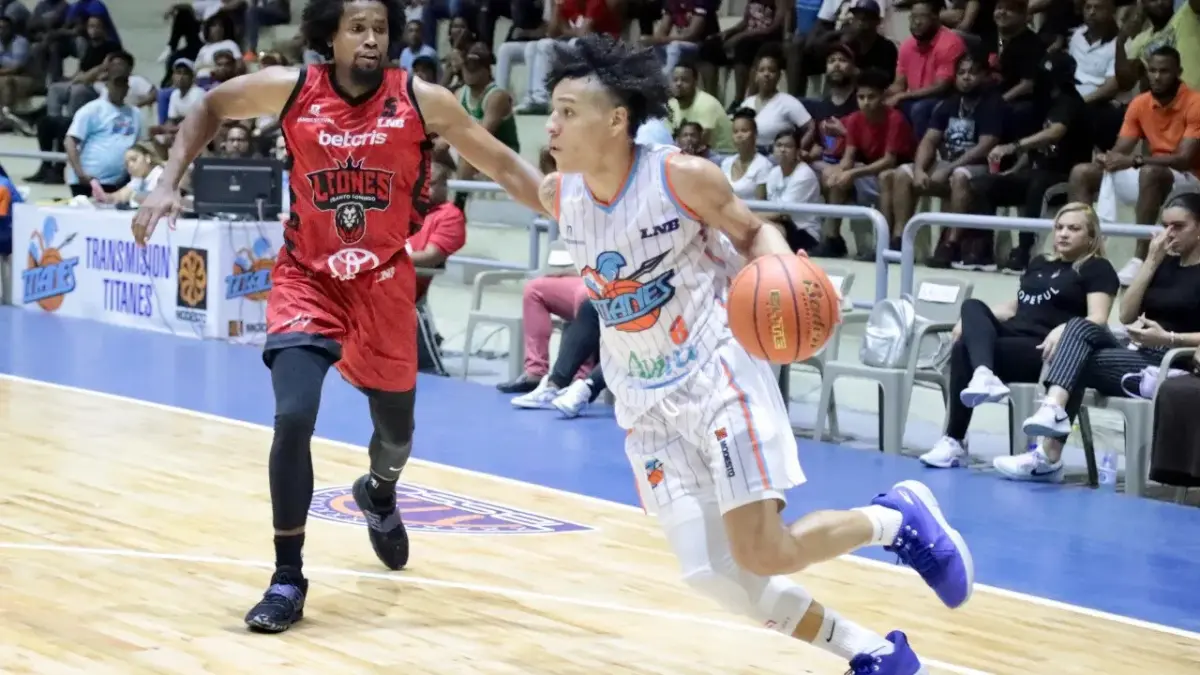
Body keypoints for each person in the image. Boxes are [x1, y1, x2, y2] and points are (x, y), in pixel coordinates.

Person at [539, 34, 973, 675]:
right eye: (551, 110)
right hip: (645, 399)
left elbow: (752, 231)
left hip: (715, 372)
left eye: (567, 111)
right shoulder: (564, 192)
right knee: (709, 571)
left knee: (763, 552)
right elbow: (495, 160)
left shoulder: (679, 175)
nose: (551, 124)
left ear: (615, 119)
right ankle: (874, 652)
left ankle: (891, 520)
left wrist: (787, 274)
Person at [130, 0, 544, 633]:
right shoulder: (294, 88)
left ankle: (378, 492)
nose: (372, 39)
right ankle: (287, 577)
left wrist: (575, 209)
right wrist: (167, 181)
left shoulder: (422, 99)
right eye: (358, 28)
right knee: (294, 417)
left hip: (383, 284)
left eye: (380, 28)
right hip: (309, 278)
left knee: (397, 436)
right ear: (331, 36)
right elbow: (211, 106)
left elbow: (505, 164)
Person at [1001, 193, 1200, 481]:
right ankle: (1053, 412)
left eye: (1178, 226)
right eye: (1165, 226)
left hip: (1175, 360)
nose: (1168, 234)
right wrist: (1151, 261)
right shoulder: (1162, 263)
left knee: (1075, 358)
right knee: (1078, 328)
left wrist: (1168, 338)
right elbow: (1127, 315)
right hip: (1138, 351)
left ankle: (1048, 453)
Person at [919, 203, 1119, 468]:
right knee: (972, 307)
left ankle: (955, 438)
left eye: (1073, 229)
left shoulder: (1097, 268)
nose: (1063, 234)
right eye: (1059, 227)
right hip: (1015, 334)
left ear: (1091, 236)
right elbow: (1015, 307)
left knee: (962, 349)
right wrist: (970, 321)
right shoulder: (1040, 263)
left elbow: (1098, 318)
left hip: (1045, 349)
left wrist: (1065, 329)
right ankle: (982, 379)